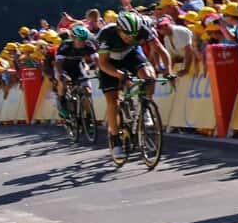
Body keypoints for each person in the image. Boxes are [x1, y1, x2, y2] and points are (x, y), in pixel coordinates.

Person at [96, 12, 171, 159]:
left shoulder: (143, 29)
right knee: (113, 101)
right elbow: (103, 64)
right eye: (127, 35)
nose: (131, 38)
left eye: (134, 35)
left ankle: (146, 108)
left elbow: (162, 51)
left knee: (149, 77)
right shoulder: (106, 34)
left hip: (130, 55)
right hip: (110, 63)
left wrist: (168, 72)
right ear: (119, 29)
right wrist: (120, 75)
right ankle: (115, 138)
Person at [53, 23, 97, 119]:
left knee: (87, 91)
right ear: (73, 38)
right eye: (79, 40)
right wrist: (62, 74)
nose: (82, 42)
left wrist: (101, 71)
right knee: (62, 81)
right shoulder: (65, 46)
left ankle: (89, 118)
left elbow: (97, 61)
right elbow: (58, 64)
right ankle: (62, 102)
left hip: (78, 67)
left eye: (84, 39)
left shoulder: (89, 45)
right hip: (64, 67)